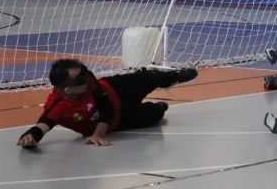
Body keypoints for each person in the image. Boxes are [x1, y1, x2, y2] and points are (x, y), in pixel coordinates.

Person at [16, 59, 198, 148]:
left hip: (117, 90)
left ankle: (175, 76)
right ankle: (160, 105)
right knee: (155, 114)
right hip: (120, 121)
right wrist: (31, 137)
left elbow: (106, 107)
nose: (86, 78)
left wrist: (98, 134)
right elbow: (44, 123)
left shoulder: (89, 81)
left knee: (149, 77)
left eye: (85, 73)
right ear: (67, 90)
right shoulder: (58, 106)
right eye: (80, 78)